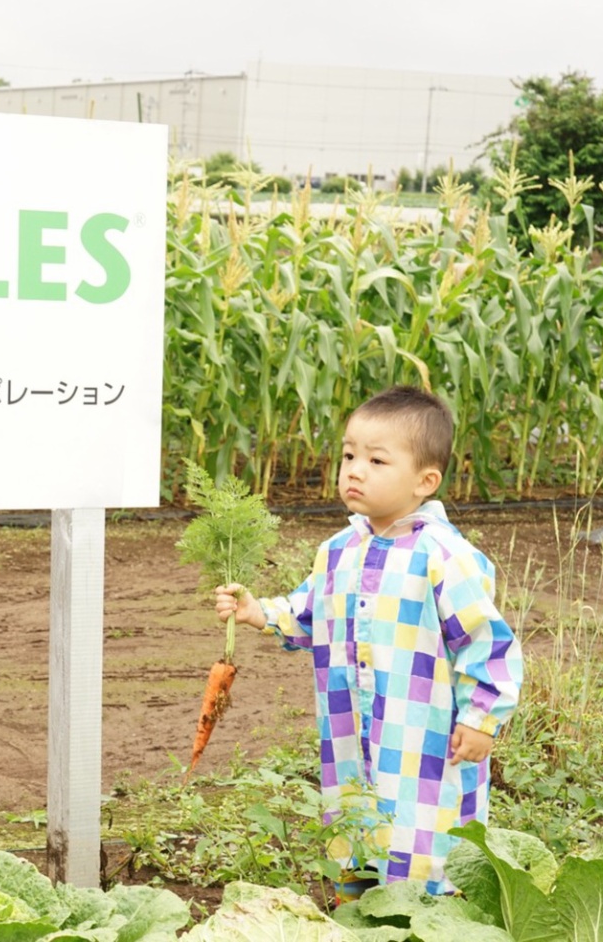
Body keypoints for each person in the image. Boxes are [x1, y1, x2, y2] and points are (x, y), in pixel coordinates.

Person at [213, 385, 522, 899]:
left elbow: (485, 642)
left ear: (426, 480)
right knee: (354, 824)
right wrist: (258, 612)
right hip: (349, 733)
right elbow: (310, 612)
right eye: (349, 455)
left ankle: (424, 919)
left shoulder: (444, 554)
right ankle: (357, 914)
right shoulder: (337, 551)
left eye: (377, 460)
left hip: (422, 738)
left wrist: (480, 718)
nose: (355, 470)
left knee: (423, 836)